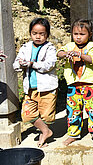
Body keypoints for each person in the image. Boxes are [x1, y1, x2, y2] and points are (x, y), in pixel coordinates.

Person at [57, 19, 93, 146]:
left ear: (90, 34)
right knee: (73, 111)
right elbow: (59, 53)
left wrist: (80, 54)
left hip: (89, 85)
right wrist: (66, 54)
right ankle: (73, 134)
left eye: (82, 34)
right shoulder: (69, 46)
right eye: (75, 34)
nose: (78, 37)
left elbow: (91, 59)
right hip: (73, 85)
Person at [13, 18, 58, 148]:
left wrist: (33, 64)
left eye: (42, 34)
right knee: (27, 114)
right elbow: (16, 64)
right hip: (30, 89)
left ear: (47, 34)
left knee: (46, 115)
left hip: (47, 88)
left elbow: (49, 65)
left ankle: (43, 136)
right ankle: (45, 131)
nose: (38, 36)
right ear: (30, 33)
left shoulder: (50, 48)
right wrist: (21, 64)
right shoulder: (26, 47)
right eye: (34, 33)